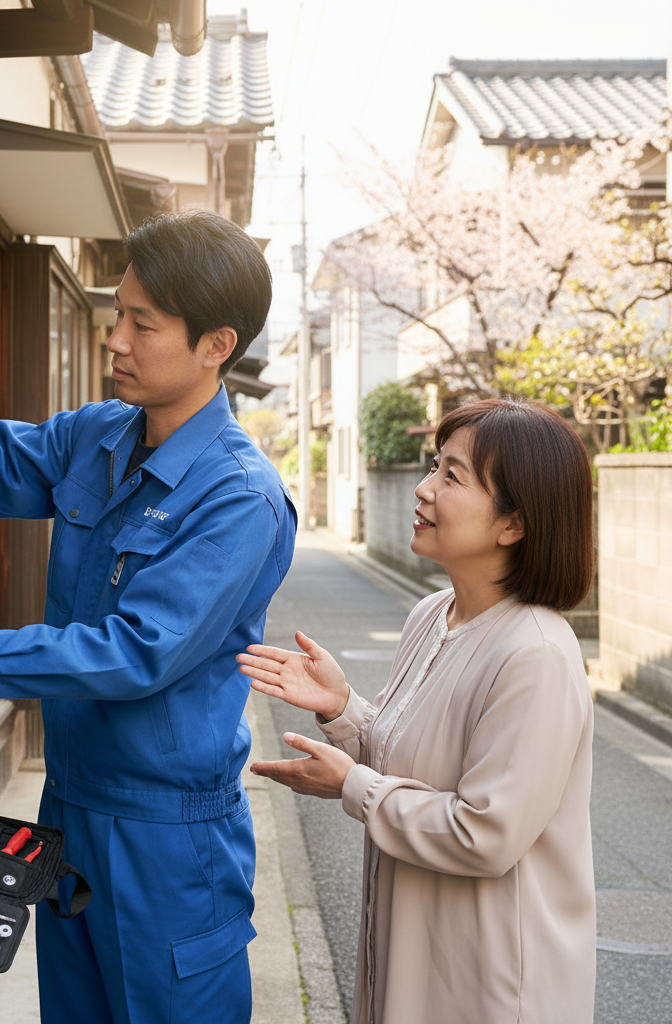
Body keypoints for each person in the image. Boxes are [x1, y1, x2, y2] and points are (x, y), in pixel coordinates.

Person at [0, 210, 297, 1024]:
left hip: (166, 836)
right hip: (72, 804)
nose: (115, 339)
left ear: (216, 345)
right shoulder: (99, 434)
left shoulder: (239, 497)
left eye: (141, 323)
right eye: (119, 313)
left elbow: (137, 652)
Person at [238, 399, 596, 1024]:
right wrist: (344, 709)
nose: (423, 489)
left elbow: (484, 833)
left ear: (513, 524)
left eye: (451, 477)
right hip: (413, 952)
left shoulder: (536, 653)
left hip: (490, 982)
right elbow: (415, 759)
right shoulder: (432, 615)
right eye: (434, 466)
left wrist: (352, 784)